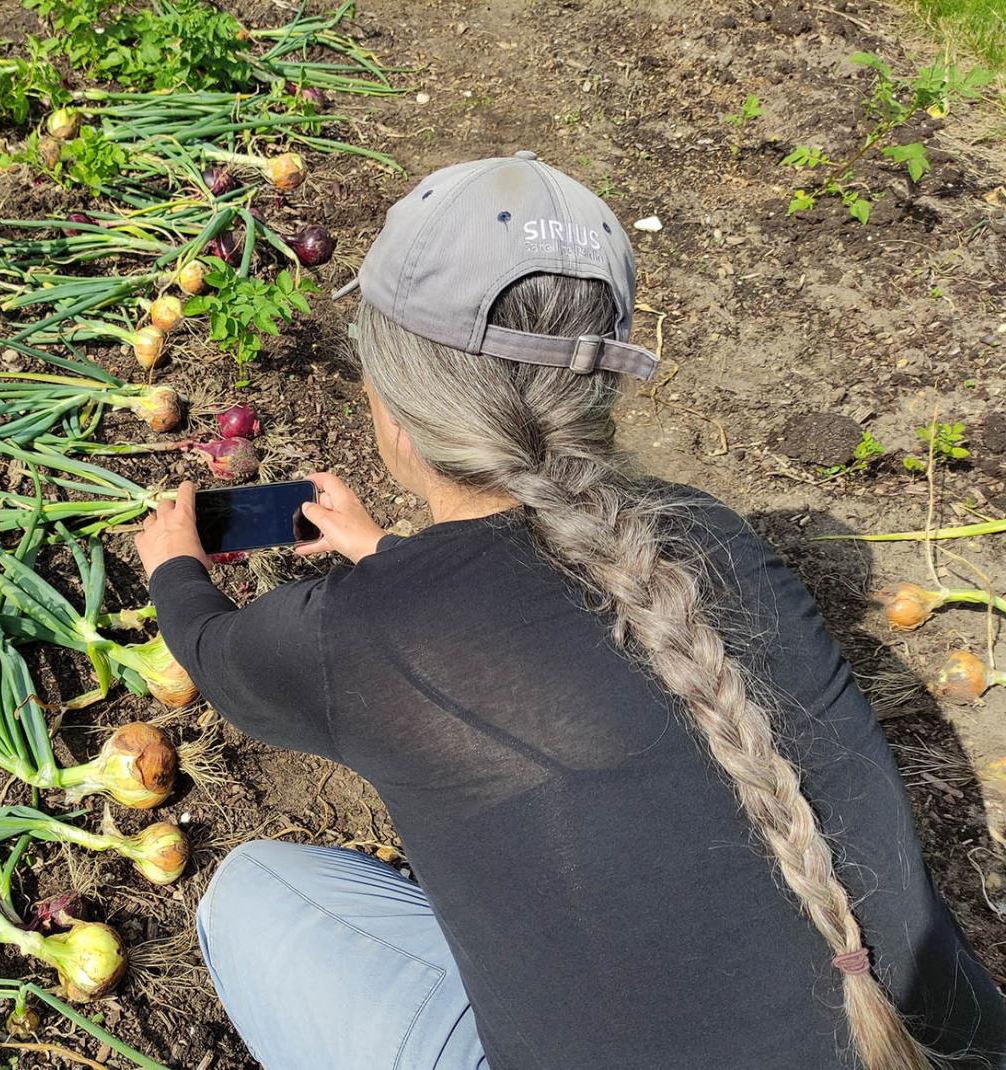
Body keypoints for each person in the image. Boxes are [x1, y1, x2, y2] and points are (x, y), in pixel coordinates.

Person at [133, 154, 1006, 1070]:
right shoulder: (709, 536)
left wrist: (175, 569)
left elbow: (212, 652)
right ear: (600, 386)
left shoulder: (359, 639)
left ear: (387, 401)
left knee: (258, 889)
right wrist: (388, 558)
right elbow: (551, 623)